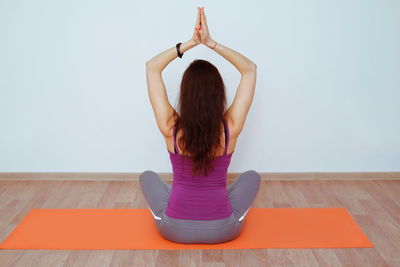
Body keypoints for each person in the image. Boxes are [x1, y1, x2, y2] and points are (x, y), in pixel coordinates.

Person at [140, 6, 260, 244]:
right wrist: (211, 43)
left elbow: (152, 67)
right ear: (219, 94)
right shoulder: (230, 128)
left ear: (185, 94)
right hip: (223, 231)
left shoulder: (170, 127)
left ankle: (193, 201)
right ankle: (212, 201)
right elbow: (250, 70)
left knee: (147, 177)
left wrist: (191, 43)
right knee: (252, 177)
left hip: (173, 230)